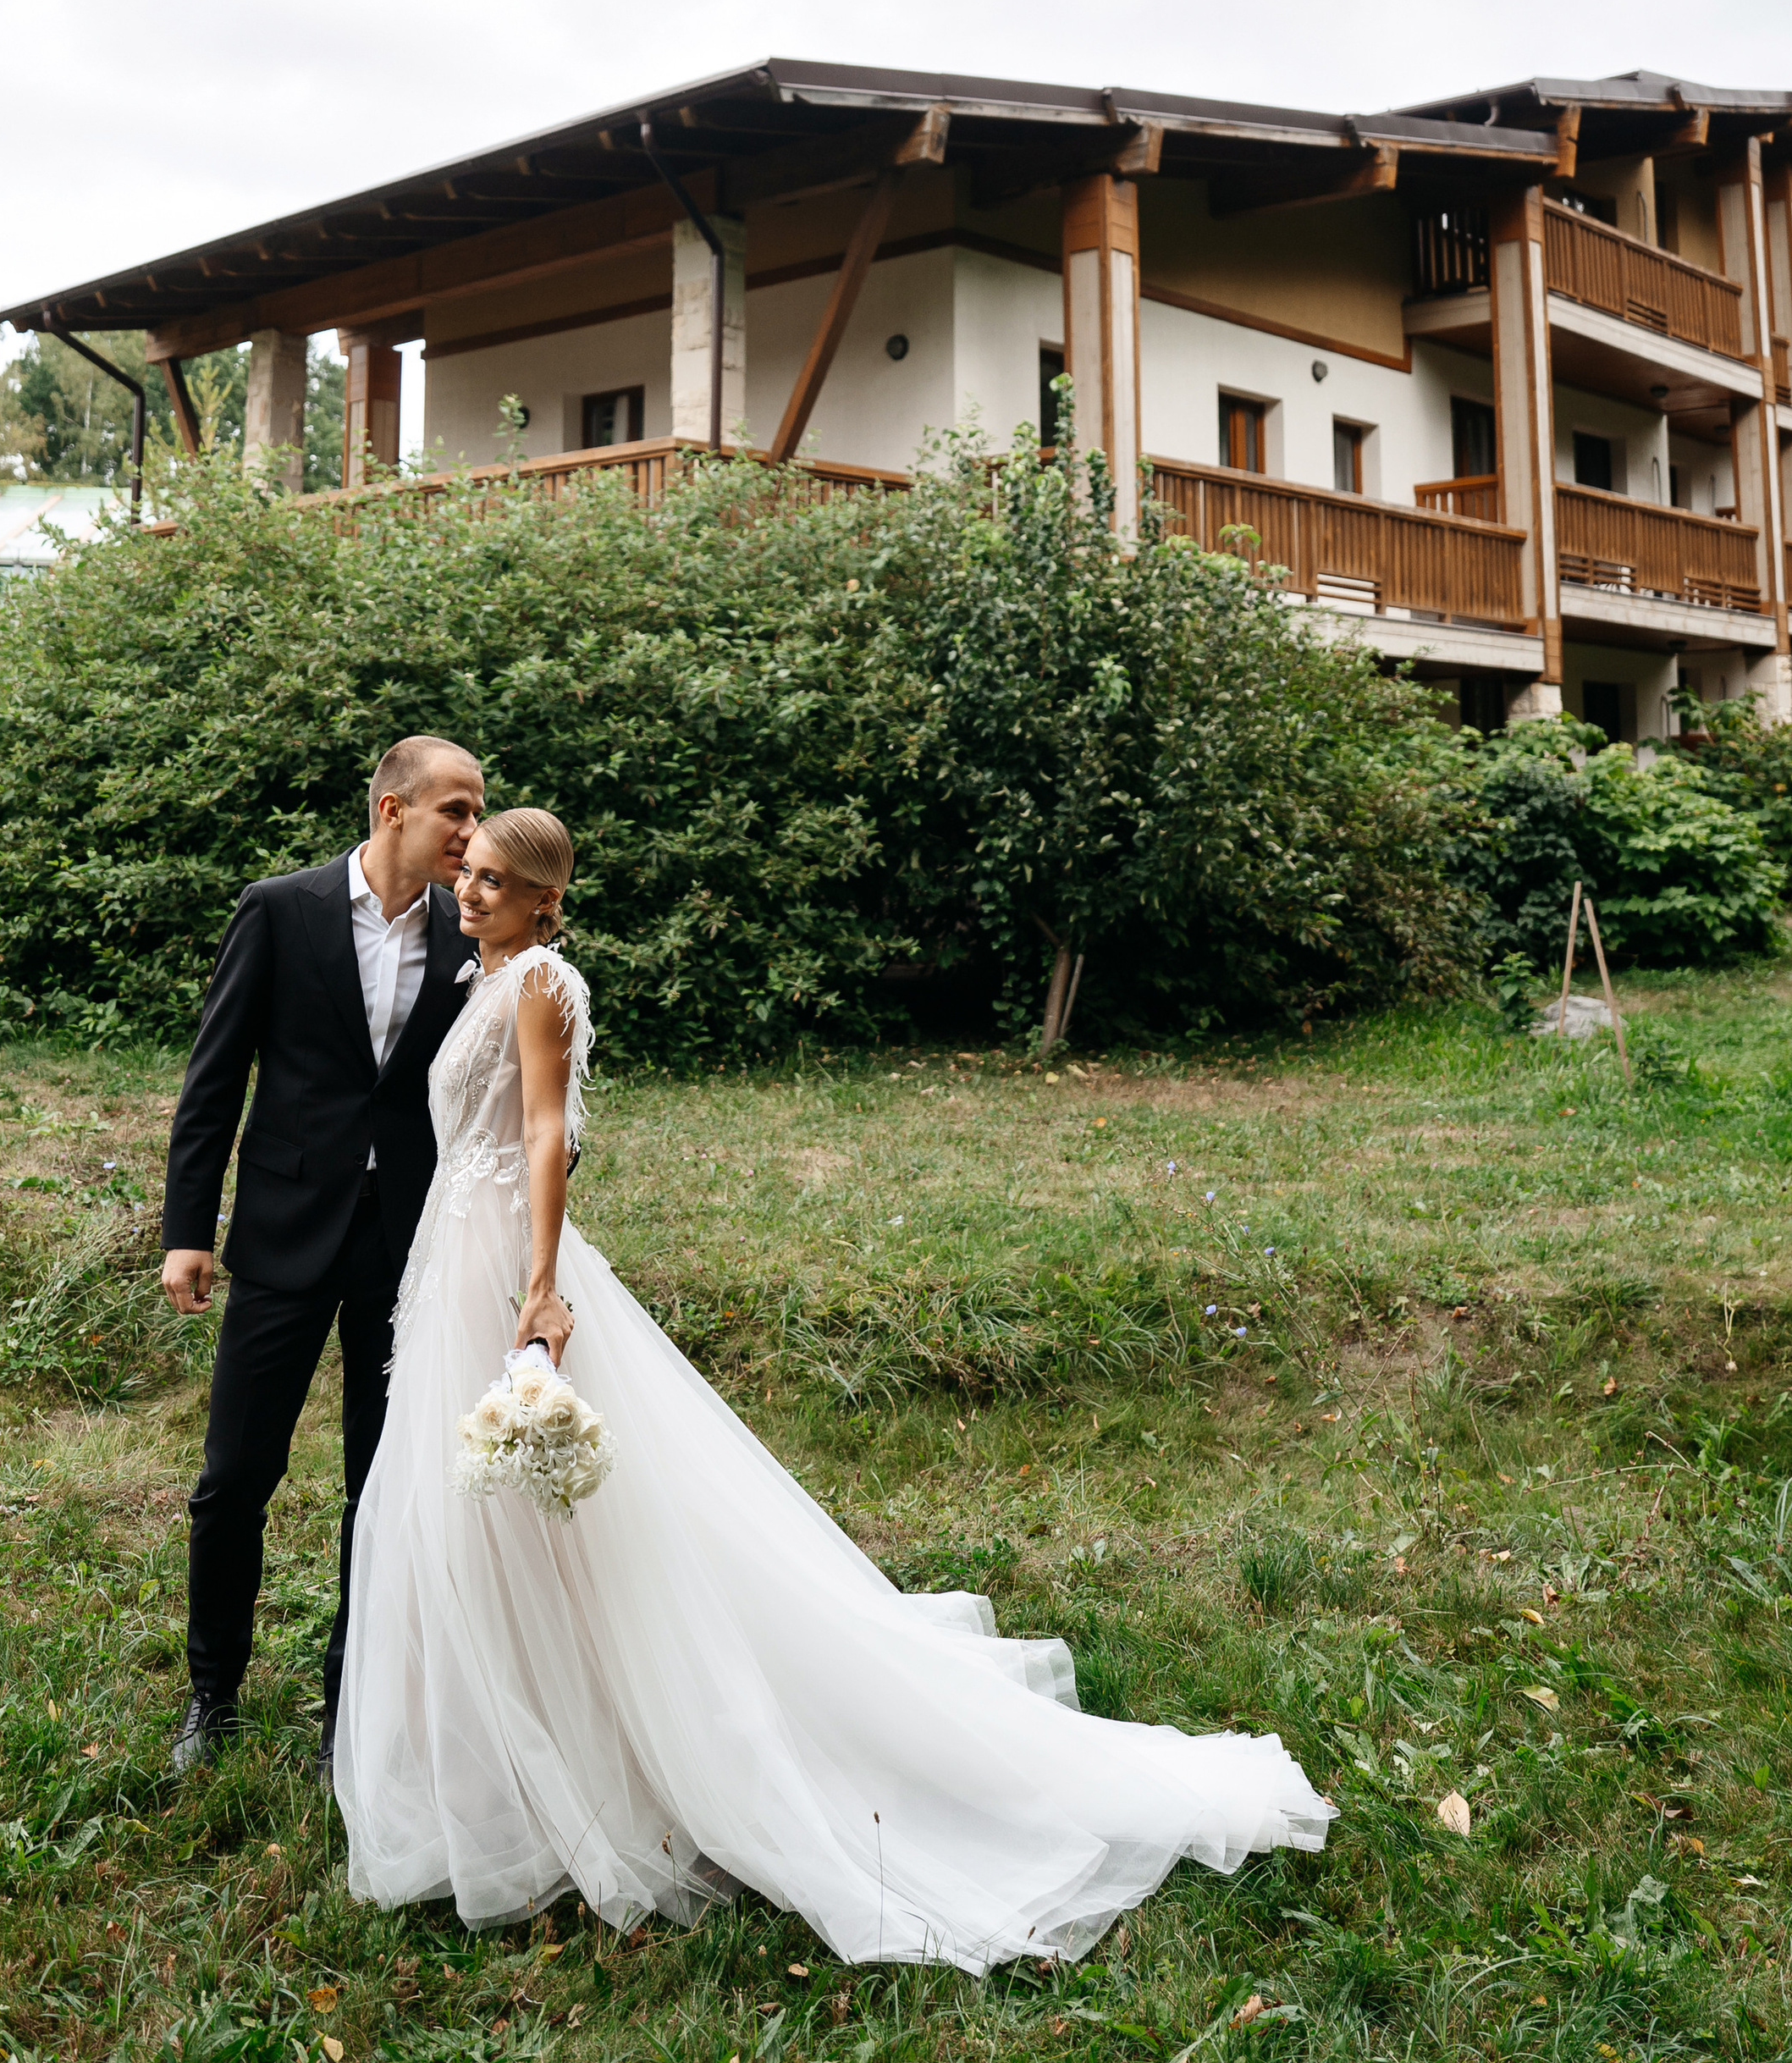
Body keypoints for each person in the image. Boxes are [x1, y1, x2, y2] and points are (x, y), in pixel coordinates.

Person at [334, 809, 1333, 1969]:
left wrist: (543, 1284)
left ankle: (636, 1773)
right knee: (478, 1523)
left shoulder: (542, 982)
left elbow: (550, 1132)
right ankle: (517, 1775)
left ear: (547, 900)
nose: (472, 892)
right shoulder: (483, 975)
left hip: (509, 1262)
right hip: (448, 1258)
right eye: (473, 875)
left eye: (499, 883)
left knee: (571, 1532)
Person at [158, 735, 488, 1779]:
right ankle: (213, 1698)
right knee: (233, 1479)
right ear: (393, 810)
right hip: (283, 1232)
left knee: (378, 1483)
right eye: (456, 811)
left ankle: (352, 1702)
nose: (471, 834)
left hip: (406, 1245)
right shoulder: (281, 909)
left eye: (477, 813)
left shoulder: (468, 930)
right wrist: (186, 1231)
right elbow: (215, 1079)